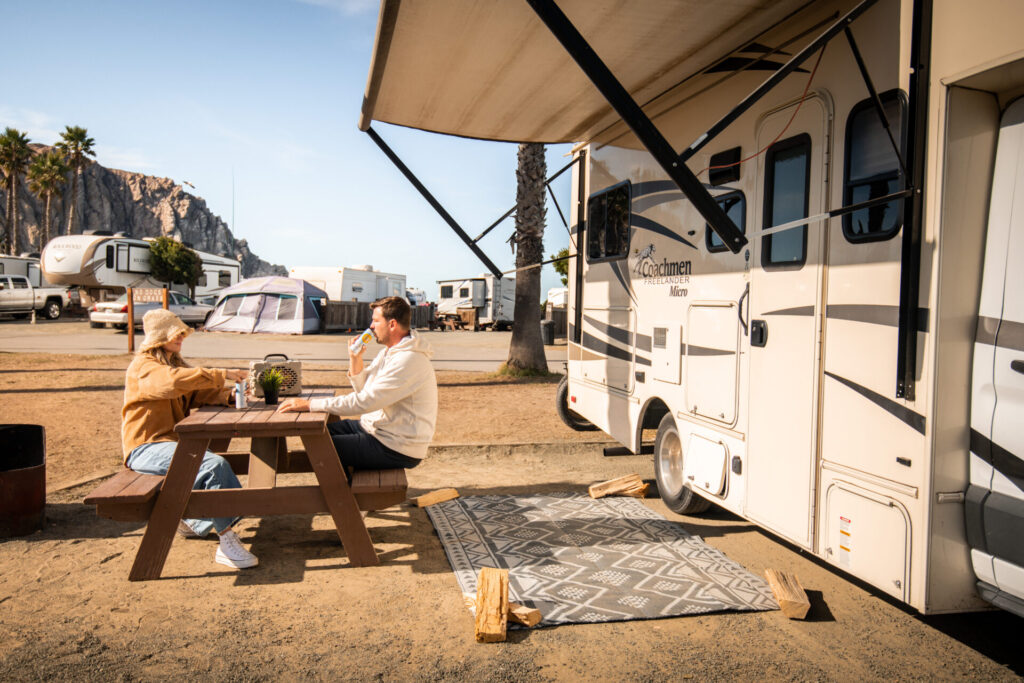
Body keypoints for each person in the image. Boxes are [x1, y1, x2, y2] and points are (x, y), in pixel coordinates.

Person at [121, 308, 258, 569]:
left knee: (210, 463)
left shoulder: (172, 364)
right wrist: (222, 373)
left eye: (183, 334)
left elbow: (194, 393)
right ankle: (226, 541)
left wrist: (228, 396)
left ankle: (196, 522)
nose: (181, 338)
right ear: (159, 337)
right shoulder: (144, 367)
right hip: (145, 448)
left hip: (170, 444)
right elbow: (171, 383)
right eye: (176, 334)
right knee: (212, 466)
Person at [278, 296, 437, 473]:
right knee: (318, 434)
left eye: (376, 321)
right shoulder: (390, 352)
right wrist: (355, 358)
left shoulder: (409, 359)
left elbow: (364, 402)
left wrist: (310, 405)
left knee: (320, 448)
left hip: (397, 445)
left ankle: (341, 498)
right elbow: (365, 390)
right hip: (377, 429)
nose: (371, 326)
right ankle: (347, 489)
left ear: (392, 324)